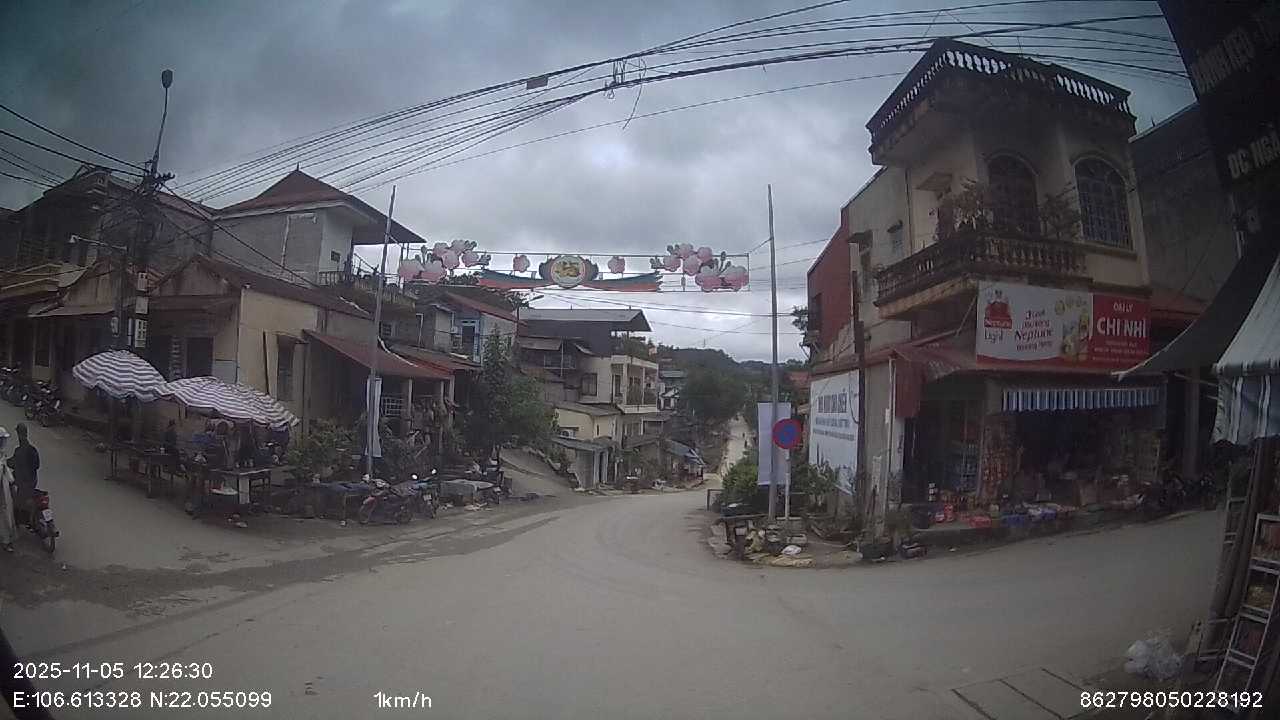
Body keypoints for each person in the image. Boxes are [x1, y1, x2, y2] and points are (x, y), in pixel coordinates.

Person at [6, 424, 39, 530]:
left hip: (23, 482)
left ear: (19, 434)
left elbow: (12, 463)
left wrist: (5, 462)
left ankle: (19, 523)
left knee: (16, 501)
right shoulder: (33, 449)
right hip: (33, 480)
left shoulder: (19, 450)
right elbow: (37, 465)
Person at [0, 427, 15, 552]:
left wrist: (11, 480)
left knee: (5, 514)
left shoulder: (2, 455)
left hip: (3, 490)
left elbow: (5, 469)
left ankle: (6, 541)